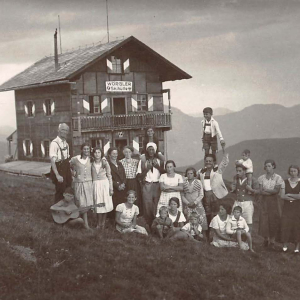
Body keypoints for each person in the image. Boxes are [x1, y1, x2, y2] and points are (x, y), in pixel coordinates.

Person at [197, 152, 229, 231]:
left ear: (214, 162)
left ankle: (218, 232)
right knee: (207, 215)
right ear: (204, 162)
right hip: (205, 196)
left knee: (217, 214)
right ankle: (208, 234)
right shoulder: (201, 171)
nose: (208, 162)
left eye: (210, 161)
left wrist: (224, 150)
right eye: (206, 161)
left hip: (215, 195)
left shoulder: (218, 170)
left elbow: (225, 162)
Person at [136, 142, 164, 227]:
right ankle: (148, 224)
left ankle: (157, 224)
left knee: (157, 204)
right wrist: (147, 169)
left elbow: (164, 173)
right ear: (147, 150)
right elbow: (139, 176)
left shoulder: (159, 161)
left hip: (157, 184)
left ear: (155, 150)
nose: (151, 151)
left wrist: (157, 167)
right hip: (147, 185)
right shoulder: (143, 161)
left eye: (153, 149)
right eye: (149, 149)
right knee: (147, 205)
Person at [258, 159, 283, 248]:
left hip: (274, 201)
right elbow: (260, 191)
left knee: (273, 219)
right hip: (264, 201)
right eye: (266, 166)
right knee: (264, 219)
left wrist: (267, 191)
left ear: (273, 166)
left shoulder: (278, 178)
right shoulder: (261, 178)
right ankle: (266, 239)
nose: (267, 168)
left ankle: (272, 241)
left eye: (269, 166)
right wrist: (269, 192)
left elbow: (276, 191)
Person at [70, 144, 93, 229]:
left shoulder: (91, 159)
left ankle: (79, 220)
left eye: (88, 149)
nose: (86, 150)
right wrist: (73, 172)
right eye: (85, 149)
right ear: (81, 150)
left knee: (88, 204)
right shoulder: (75, 159)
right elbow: (69, 166)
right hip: (79, 183)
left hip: (89, 184)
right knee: (81, 203)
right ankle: (86, 225)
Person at [231, 164, 260, 232]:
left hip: (247, 203)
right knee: (234, 221)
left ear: (244, 171)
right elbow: (233, 189)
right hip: (237, 202)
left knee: (248, 222)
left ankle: (247, 240)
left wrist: (251, 190)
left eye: (240, 171)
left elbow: (258, 191)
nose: (238, 172)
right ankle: (237, 239)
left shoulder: (251, 179)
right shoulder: (236, 179)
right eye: (237, 171)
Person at [92, 147, 113, 229]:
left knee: (105, 204)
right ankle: (98, 223)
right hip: (96, 184)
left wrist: (111, 188)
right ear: (93, 154)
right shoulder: (91, 162)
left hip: (104, 184)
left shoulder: (105, 163)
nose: (97, 154)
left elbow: (109, 175)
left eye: (99, 152)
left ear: (101, 154)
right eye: (95, 152)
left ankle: (103, 223)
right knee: (98, 204)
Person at [49, 123, 72, 202]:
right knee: (60, 190)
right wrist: (57, 175)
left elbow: (67, 159)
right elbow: (52, 161)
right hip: (58, 168)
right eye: (63, 129)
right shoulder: (54, 143)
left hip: (66, 167)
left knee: (69, 186)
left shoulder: (66, 144)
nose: (65, 132)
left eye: (66, 130)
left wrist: (71, 170)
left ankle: (65, 209)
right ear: (58, 130)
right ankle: (57, 211)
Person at [280, 165, 300, 253]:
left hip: (297, 208)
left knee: (297, 226)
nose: (293, 173)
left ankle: (297, 247)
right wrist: (295, 197)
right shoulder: (285, 182)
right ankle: (285, 245)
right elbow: (282, 196)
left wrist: (290, 195)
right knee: (285, 225)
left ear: (298, 172)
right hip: (287, 208)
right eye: (291, 171)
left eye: (295, 171)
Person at [181, 167, 208, 232]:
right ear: (186, 174)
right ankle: (190, 236)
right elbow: (182, 195)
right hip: (188, 206)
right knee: (189, 220)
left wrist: (195, 202)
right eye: (188, 173)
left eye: (191, 173)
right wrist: (188, 203)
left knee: (201, 220)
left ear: (194, 174)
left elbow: (201, 194)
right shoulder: (183, 183)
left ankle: (202, 235)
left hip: (198, 205)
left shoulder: (198, 182)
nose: (189, 175)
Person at [120, 146, 141, 212]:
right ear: (123, 153)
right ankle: (126, 212)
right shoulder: (120, 162)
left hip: (134, 181)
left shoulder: (136, 161)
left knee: (134, 196)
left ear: (131, 153)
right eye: (126, 152)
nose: (128, 153)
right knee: (126, 196)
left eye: (129, 152)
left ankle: (134, 212)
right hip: (125, 181)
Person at [107, 147, 127, 216]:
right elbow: (108, 177)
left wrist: (124, 183)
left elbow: (124, 175)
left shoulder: (119, 163)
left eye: (116, 153)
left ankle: (122, 219)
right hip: (114, 187)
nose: (115, 155)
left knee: (122, 204)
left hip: (122, 187)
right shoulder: (107, 164)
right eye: (113, 153)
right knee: (114, 204)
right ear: (109, 155)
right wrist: (117, 185)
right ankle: (113, 221)